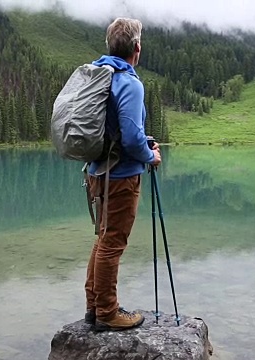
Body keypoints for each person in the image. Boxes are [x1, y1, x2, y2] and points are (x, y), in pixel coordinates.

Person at [83, 17, 162, 332]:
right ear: (137, 49)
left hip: (96, 172)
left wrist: (143, 141)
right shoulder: (129, 82)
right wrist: (150, 155)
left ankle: (94, 306)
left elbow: (121, 131)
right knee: (113, 243)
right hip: (120, 177)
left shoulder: (99, 74)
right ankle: (107, 312)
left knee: (103, 239)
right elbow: (130, 138)